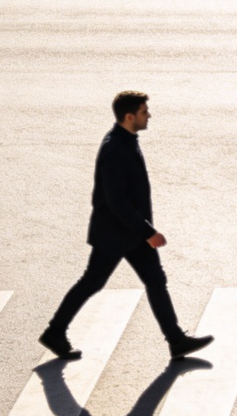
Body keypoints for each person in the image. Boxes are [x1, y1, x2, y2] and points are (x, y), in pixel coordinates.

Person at [40, 91, 214, 361]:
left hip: (131, 232)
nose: (149, 115)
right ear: (129, 116)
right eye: (145, 112)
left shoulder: (127, 141)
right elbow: (116, 201)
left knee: (156, 280)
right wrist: (148, 232)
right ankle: (54, 332)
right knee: (92, 282)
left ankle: (176, 340)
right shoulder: (115, 149)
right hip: (115, 234)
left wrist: (143, 231)